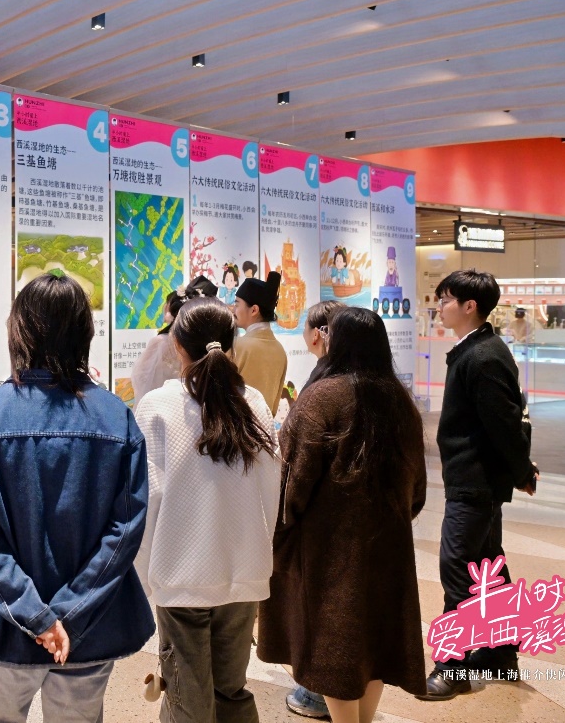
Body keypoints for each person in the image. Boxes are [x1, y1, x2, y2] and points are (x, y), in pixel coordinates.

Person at [0, 274, 154, 723]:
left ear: (19, 330)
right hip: (88, 631)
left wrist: (36, 616)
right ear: (84, 333)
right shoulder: (116, 418)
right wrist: (67, 614)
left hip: (5, 629)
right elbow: (125, 531)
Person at [258, 307, 427, 723]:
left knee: (331, 647)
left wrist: (280, 531)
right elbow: (417, 490)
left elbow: (293, 483)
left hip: (329, 549)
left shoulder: (322, 396)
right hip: (389, 546)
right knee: (375, 643)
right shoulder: (400, 400)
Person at [134, 297, 278, 723]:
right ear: (230, 344)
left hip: (181, 574)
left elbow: (147, 499)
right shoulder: (252, 402)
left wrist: (144, 576)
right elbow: (271, 489)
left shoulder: (158, 407)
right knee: (230, 689)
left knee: (187, 700)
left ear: (177, 345)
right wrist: (260, 555)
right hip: (243, 572)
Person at [420, 270, 538, 700]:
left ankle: (452, 666)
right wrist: (519, 470)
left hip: (475, 482)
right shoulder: (477, 349)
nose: (440, 307)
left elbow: (505, 424)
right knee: (486, 568)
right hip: (475, 480)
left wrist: (522, 471)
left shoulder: (483, 356)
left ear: (470, 306)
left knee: (458, 567)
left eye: (446, 300)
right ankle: (499, 654)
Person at [284, 298, 345, 721]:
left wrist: (287, 513)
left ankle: (317, 693)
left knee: (319, 604)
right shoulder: (371, 382)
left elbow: (302, 463)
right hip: (352, 521)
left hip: (319, 518)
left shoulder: (323, 384)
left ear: (319, 335)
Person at [231, 271, 288, 414]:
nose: (233, 309)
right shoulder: (280, 350)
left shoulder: (237, 346)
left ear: (254, 310)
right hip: (265, 427)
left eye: (237, 304)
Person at [131, 290, 186, 406]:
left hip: (158, 403)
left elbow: (142, 377)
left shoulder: (161, 341)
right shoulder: (189, 341)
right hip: (183, 402)